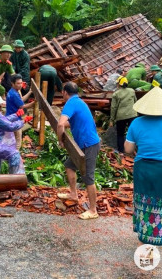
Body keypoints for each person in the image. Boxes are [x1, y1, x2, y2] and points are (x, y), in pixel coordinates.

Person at [124, 86, 162, 246]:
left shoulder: (136, 123)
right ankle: (156, 237)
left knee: (143, 200)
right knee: (161, 201)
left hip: (142, 168)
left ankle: (142, 236)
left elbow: (128, 149)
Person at [57, 82, 101, 220]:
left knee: (88, 177)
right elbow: (72, 122)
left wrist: (61, 140)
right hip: (84, 144)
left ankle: (93, 210)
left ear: (64, 92)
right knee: (69, 166)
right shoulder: (79, 102)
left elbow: (60, 123)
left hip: (89, 145)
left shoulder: (71, 103)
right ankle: (73, 194)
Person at [6, 74, 34, 149]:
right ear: (12, 83)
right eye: (18, 83)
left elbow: (20, 101)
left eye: (21, 83)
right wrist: (33, 103)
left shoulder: (12, 91)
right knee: (18, 142)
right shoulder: (14, 94)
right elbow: (22, 106)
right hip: (15, 120)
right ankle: (15, 157)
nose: (20, 85)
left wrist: (30, 92)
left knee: (11, 140)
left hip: (9, 117)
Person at [109, 76, 137, 153]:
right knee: (133, 132)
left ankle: (121, 151)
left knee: (120, 134)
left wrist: (112, 120)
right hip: (132, 115)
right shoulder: (132, 91)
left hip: (121, 117)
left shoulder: (116, 94)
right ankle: (133, 150)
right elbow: (135, 101)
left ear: (119, 84)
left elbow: (113, 108)